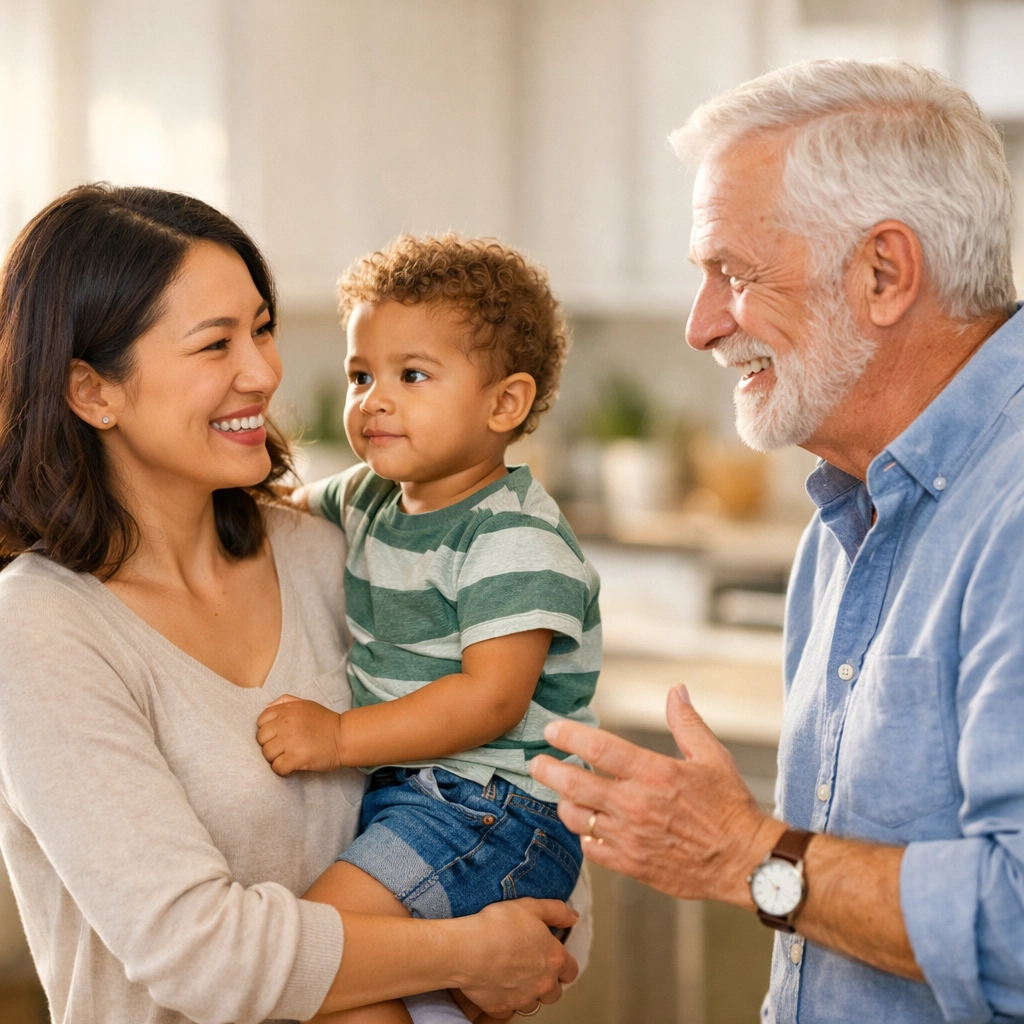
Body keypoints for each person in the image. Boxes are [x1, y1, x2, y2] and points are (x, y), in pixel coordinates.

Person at [0, 184, 584, 1024]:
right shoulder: (42, 628)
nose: (264, 372)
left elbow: (537, 856)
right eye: (216, 345)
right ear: (94, 392)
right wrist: (471, 953)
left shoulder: (332, 553)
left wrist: (517, 952)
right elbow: (202, 958)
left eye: (262, 329)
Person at [530, 58, 1024, 1023]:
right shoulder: (845, 513)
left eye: (734, 272)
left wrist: (742, 854)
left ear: (884, 272)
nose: (701, 325)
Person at [255, 235, 601, 1024]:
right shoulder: (375, 496)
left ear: (504, 405)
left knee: (319, 951)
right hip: (427, 799)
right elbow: (278, 513)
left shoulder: (511, 536)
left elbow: (491, 701)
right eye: (360, 374)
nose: (374, 399)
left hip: (492, 810)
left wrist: (338, 739)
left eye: (412, 376)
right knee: (350, 989)